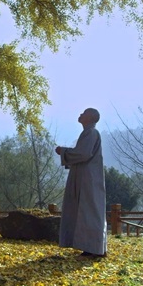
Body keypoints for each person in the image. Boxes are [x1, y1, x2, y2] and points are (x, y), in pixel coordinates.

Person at [55, 108, 107, 260]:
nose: (80, 114)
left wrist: (63, 151)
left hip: (88, 179)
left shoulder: (91, 133)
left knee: (89, 211)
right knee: (84, 211)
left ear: (90, 117)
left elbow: (83, 154)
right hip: (84, 176)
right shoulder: (88, 133)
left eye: (84, 113)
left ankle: (94, 249)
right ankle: (91, 248)